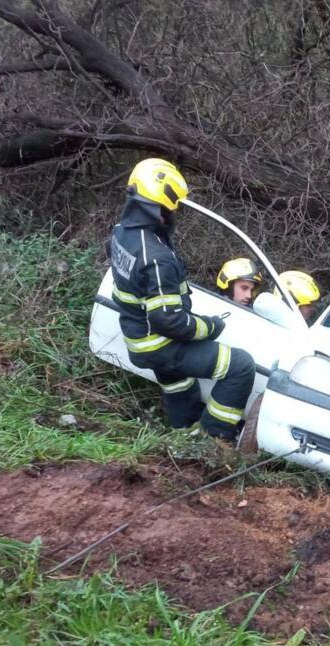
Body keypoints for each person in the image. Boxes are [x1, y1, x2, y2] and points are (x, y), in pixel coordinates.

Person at [107, 158, 255, 441]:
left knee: (181, 385)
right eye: (171, 207)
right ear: (160, 207)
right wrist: (210, 327)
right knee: (240, 365)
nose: (174, 213)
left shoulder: (120, 234)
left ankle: (184, 442)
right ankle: (214, 442)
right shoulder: (157, 257)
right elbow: (168, 320)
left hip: (137, 338)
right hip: (161, 345)